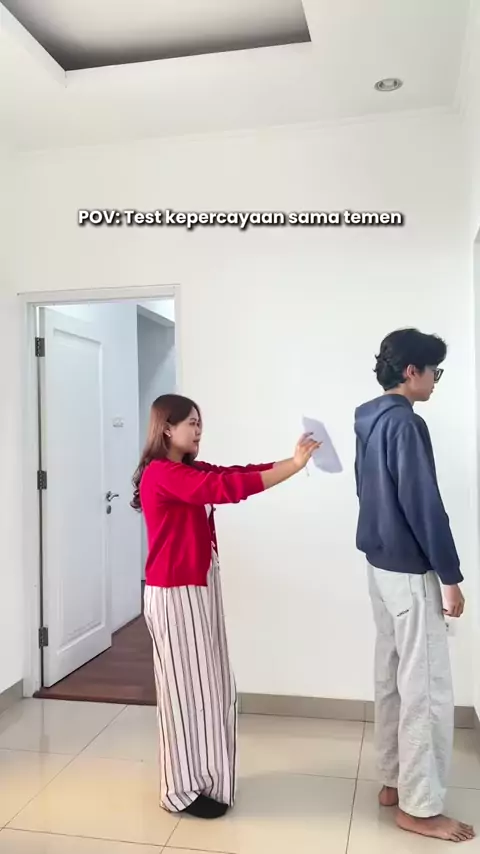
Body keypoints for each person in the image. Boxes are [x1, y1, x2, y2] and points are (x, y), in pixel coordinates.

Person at [132, 393, 320, 820]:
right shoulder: (162, 473)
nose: (199, 430)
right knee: (184, 695)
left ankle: (206, 779)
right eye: (192, 423)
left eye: (200, 423)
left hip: (197, 586)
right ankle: (179, 790)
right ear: (167, 429)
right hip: (175, 594)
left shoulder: (187, 470)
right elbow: (225, 489)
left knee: (211, 689)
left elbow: (237, 474)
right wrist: (293, 466)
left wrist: (291, 462)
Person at [354, 328, 475, 843]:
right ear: (411, 372)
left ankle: (392, 781)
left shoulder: (367, 417)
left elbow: (368, 490)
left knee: (392, 676)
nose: (435, 380)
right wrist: (450, 576)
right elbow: (424, 505)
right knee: (424, 688)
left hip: (379, 564)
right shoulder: (406, 422)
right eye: (434, 371)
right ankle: (420, 808)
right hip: (408, 570)